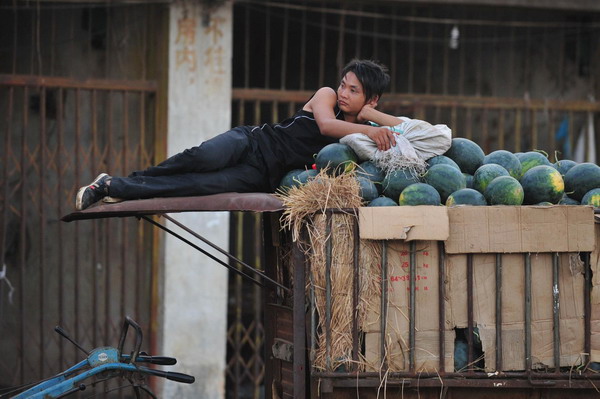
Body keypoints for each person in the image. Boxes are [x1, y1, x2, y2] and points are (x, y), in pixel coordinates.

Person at [75, 59, 401, 211]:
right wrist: (369, 125)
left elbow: (410, 129)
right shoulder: (327, 95)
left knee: (199, 186)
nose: (343, 92)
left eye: (353, 90)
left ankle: (115, 187)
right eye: (344, 83)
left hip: (261, 174)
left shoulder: (366, 131)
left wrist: (373, 117)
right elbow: (327, 127)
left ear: (370, 99)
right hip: (251, 142)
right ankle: (121, 182)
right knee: (200, 157)